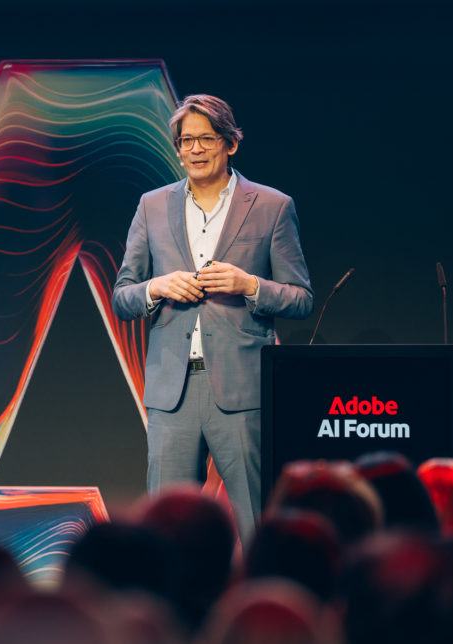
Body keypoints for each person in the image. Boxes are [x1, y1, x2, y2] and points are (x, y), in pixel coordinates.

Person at [112, 94, 313, 544]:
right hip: (172, 393)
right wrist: (157, 287)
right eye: (186, 142)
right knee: (165, 533)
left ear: (230, 144)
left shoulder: (271, 206)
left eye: (206, 139)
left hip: (243, 389)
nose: (195, 150)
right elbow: (122, 296)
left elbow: (302, 299)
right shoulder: (151, 206)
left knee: (257, 524)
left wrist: (250, 285)